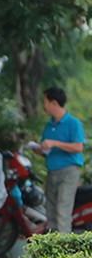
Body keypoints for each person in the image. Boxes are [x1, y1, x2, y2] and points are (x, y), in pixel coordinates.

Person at [28, 87, 85, 233]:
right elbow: (48, 151)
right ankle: (53, 249)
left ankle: (64, 252)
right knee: (51, 213)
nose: (43, 106)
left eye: (44, 102)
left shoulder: (73, 123)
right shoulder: (49, 125)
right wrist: (39, 150)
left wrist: (54, 143)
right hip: (52, 172)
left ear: (54, 103)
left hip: (68, 172)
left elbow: (78, 147)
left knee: (62, 212)